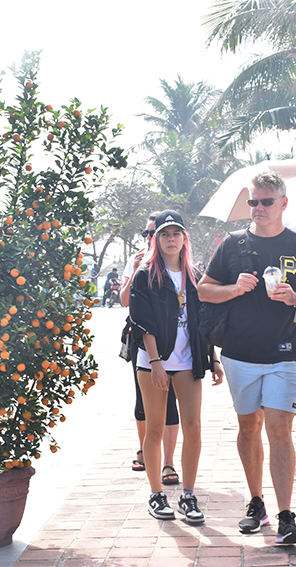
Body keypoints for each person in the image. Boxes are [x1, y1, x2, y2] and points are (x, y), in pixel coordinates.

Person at [197, 171, 296, 544]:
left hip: (285, 353)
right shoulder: (232, 245)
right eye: (253, 202)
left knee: (279, 429)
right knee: (248, 426)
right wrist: (234, 289)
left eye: (266, 201)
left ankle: (286, 515)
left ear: (283, 203)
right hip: (239, 355)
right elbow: (203, 291)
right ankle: (256, 503)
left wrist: (295, 298)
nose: (259, 208)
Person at [130, 210, 223, 524]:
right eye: (165, 234)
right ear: (157, 239)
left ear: (185, 239)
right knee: (155, 429)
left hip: (188, 362)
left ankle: (188, 495)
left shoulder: (195, 275)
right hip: (153, 361)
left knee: (193, 427)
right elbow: (143, 322)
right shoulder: (146, 274)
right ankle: (156, 495)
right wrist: (156, 362)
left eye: (176, 234)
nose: (171, 239)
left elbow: (204, 322)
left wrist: (214, 359)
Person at [121, 212, 181, 485]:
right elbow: (124, 301)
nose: (149, 237)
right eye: (148, 233)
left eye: (152, 232)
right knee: (143, 401)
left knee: (170, 402)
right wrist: (134, 271)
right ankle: (145, 451)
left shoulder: (178, 261)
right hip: (141, 341)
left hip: (175, 344)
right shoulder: (138, 262)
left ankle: (168, 462)